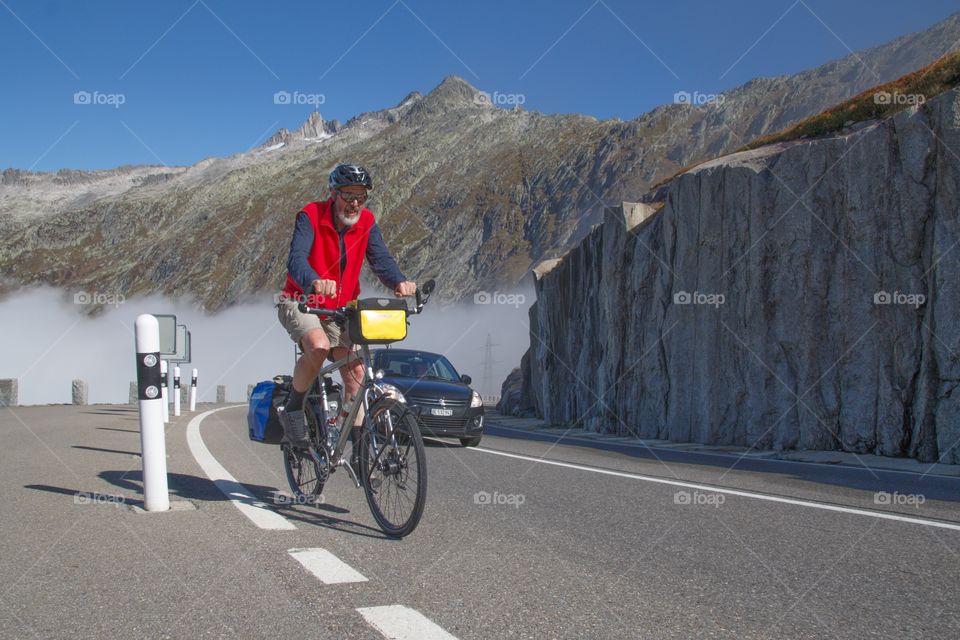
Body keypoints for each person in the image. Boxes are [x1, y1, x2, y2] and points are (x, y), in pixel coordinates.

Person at [276, 163, 416, 474]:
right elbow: (296, 258)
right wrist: (312, 280)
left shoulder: (366, 222)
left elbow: (380, 258)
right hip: (302, 300)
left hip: (342, 308)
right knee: (318, 345)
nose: (354, 203)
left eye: (361, 197)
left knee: (357, 379)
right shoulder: (311, 215)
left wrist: (398, 281)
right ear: (333, 193)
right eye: (348, 195)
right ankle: (295, 409)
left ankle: (358, 451)